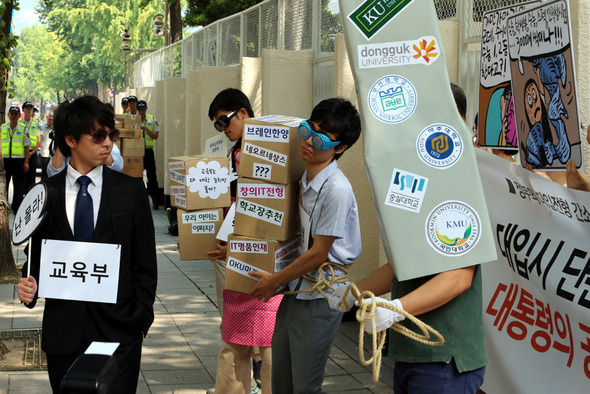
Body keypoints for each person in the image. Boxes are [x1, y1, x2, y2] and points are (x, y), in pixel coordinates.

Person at [16, 95, 157, 393]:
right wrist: (28, 289)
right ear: (71, 139)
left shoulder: (130, 192)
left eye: (111, 135)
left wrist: (140, 320)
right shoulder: (46, 195)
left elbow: (145, 265)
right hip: (63, 333)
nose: (107, 143)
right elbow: (37, 260)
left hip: (119, 330)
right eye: (98, 135)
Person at [249, 98, 362, 394]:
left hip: (320, 296)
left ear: (340, 148)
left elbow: (318, 253)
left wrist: (274, 281)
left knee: (305, 386)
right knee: (282, 380)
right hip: (295, 291)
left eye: (322, 138)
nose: (310, 141)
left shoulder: (336, 190)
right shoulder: (304, 175)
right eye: (308, 129)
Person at [206, 88, 280, 394]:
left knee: (239, 336)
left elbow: (251, 202)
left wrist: (231, 244)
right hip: (262, 249)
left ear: (243, 113)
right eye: (218, 125)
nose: (224, 130)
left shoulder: (253, 149)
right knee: (266, 333)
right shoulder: (247, 148)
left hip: (248, 250)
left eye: (225, 121)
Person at [1, 105, 31, 213]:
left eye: (15, 115)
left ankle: (16, 208)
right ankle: (4, 207)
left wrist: (26, 162)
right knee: (4, 185)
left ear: (19, 116)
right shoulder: (3, 128)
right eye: (11, 114)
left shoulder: (23, 128)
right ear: (8, 115)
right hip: (5, 161)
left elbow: (27, 146)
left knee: (18, 186)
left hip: (19, 161)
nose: (13, 116)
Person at [137, 100, 161, 209]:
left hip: (148, 151)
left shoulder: (152, 119)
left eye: (143, 109)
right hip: (137, 152)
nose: (141, 112)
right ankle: (138, 202)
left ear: (146, 109)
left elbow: (156, 136)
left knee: (152, 177)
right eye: (140, 110)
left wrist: (147, 130)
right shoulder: (134, 120)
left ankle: (155, 201)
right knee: (137, 177)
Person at [20, 101, 42, 188]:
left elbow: (38, 140)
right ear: (23, 110)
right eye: (27, 109)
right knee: (21, 177)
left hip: (32, 153)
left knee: (31, 177)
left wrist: (32, 152)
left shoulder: (36, 123)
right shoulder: (19, 122)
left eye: (31, 109)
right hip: (21, 153)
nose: (29, 111)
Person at [39, 112, 54, 180]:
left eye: (52, 116)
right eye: (50, 116)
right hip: (44, 155)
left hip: (54, 156)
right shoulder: (41, 128)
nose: (51, 118)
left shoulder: (56, 129)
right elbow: (38, 140)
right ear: (46, 117)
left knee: (52, 174)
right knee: (44, 174)